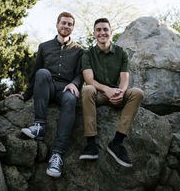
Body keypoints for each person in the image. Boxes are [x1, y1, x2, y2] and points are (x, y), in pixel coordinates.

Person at [10, 12, 83, 178]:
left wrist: (75, 83)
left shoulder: (79, 50)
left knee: (71, 99)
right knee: (42, 73)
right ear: (57, 25)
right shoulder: (44, 46)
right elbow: (35, 72)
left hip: (65, 89)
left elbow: (80, 73)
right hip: (47, 87)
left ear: (72, 28)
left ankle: (57, 155)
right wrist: (25, 95)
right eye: (63, 23)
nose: (66, 26)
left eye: (70, 24)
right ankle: (39, 126)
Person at [79, 18, 143, 167]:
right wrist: (106, 90)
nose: (102, 32)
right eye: (99, 30)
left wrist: (120, 92)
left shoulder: (122, 53)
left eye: (105, 29)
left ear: (111, 32)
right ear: (94, 33)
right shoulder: (88, 54)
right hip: (100, 95)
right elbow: (89, 80)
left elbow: (125, 78)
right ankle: (91, 144)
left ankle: (117, 142)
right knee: (87, 90)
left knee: (137, 92)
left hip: (117, 94)